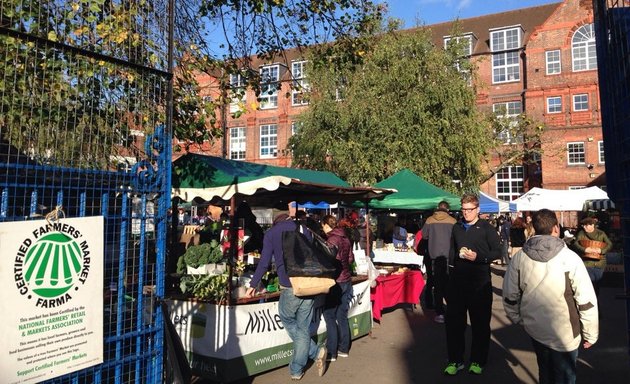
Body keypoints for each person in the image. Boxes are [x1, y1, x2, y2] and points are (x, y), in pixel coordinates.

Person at [503, 209, 598, 384]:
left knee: (545, 371)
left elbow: (510, 295)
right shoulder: (570, 258)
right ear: (556, 228)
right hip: (566, 331)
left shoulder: (520, 258)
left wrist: (518, 318)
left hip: (536, 327)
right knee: (565, 376)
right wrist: (590, 333)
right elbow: (586, 300)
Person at [245, 212, 328, 380]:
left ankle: (309, 357)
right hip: (308, 283)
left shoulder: (271, 233)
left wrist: (253, 285)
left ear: (275, 222)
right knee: (303, 327)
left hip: (290, 285)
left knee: (287, 319)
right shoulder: (303, 228)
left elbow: (264, 262)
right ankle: (303, 363)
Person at [443, 193, 501, 376]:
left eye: (470, 209)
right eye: (464, 209)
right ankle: (455, 360)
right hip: (457, 284)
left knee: (480, 325)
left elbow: (498, 251)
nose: (466, 213)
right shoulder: (457, 228)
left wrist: (479, 257)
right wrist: (449, 272)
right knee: (454, 325)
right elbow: (451, 251)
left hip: (480, 284)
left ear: (477, 209)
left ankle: (477, 360)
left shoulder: (486, 228)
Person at [321, 215, 354, 362]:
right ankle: (344, 348)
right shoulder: (346, 238)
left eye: (322, 225)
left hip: (336, 282)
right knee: (341, 315)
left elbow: (329, 262)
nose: (322, 228)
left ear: (327, 225)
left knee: (329, 316)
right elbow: (350, 259)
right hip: (346, 280)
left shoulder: (332, 240)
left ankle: (332, 352)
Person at [420, 200, 456, 324]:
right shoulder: (453, 221)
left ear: (438, 208)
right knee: (450, 284)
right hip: (448, 258)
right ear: (447, 209)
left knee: (437, 285)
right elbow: (456, 238)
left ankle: (440, 312)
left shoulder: (430, 220)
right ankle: (452, 310)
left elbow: (424, 235)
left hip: (433, 258)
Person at [572, 216, 613, 297]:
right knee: (590, 285)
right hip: (587, 263)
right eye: (583, 225)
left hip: (599, 264)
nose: (584, 227)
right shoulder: (581, 233)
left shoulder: (601, 233)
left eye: (586, 225)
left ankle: (596, 302)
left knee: (597, 285)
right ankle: (591, 301)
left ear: (592, 225)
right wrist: (584, 249)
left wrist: (601, 251)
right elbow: (575, 244)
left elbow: (610, 244)